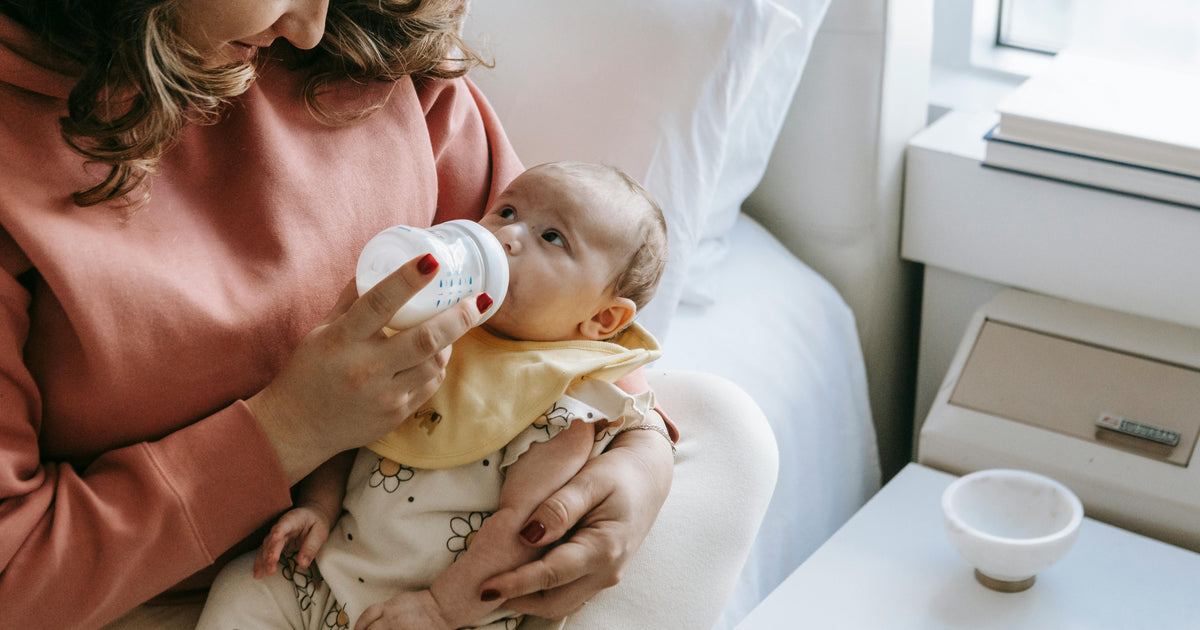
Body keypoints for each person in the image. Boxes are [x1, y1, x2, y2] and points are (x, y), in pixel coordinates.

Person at [0, 2, 677, 628]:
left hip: (421, 558)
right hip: (158, 591)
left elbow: (568, 294)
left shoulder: (368, 34)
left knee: (735, 431)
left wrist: (642, 455)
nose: (311, 29)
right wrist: (288, 430)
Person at [197, 161, 670, 630]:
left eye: (552, 237)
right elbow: (345, 425)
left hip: (430, 611)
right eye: (506, 212)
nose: (509, 236)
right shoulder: (429, 327)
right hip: (323, 577)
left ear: (603, 321)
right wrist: (319, 505)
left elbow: (522, 528)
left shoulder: (560, 403)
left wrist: (441, 609)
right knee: (243, 589)